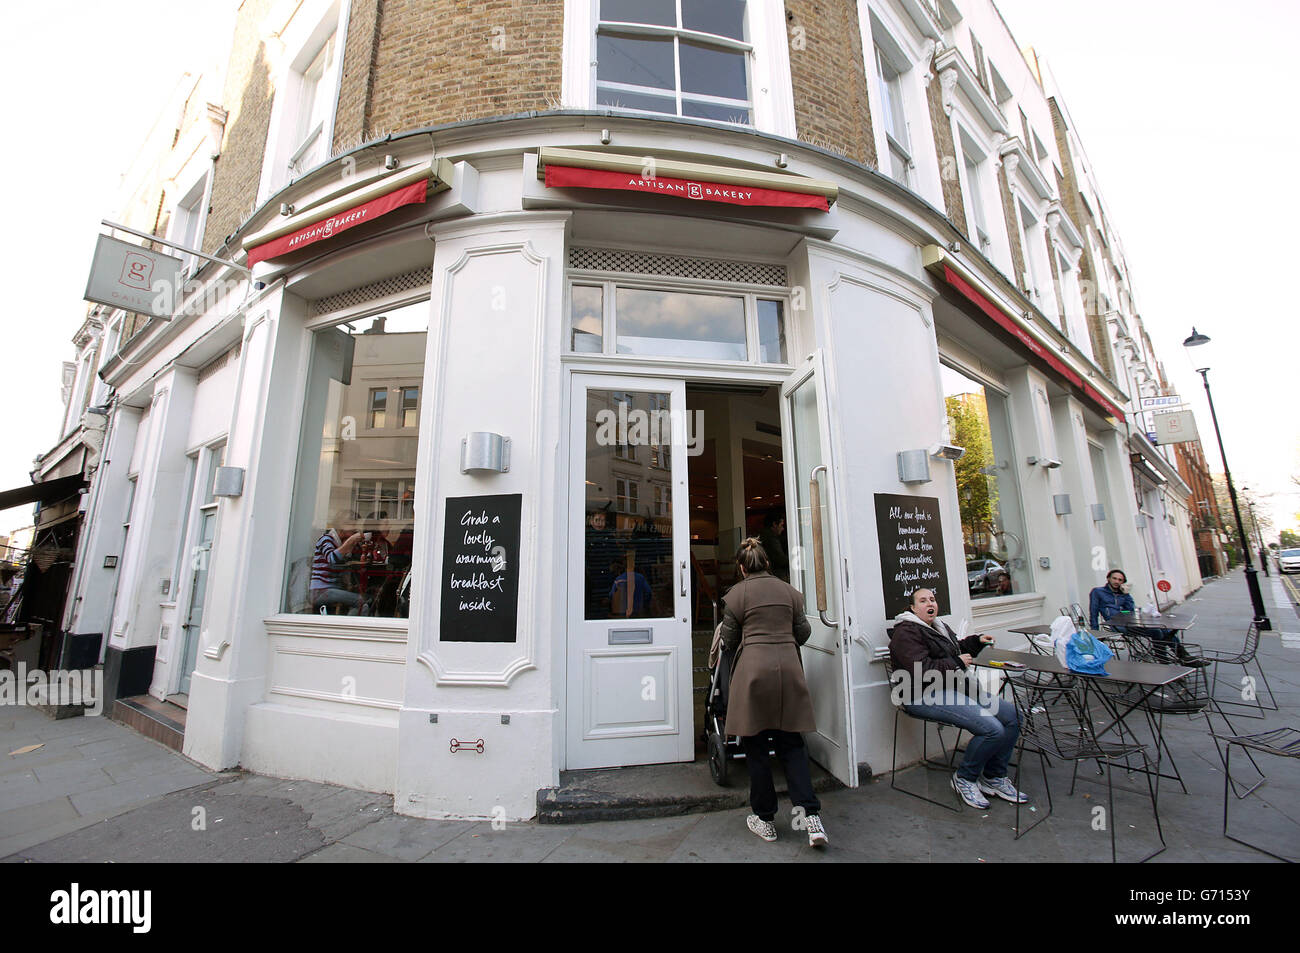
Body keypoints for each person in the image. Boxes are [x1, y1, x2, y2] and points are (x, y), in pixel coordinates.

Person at [719, 537, 827, 848]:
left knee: (756, 748)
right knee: (792, 744)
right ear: (767, 563)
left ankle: (765, 820)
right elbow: (803, 632)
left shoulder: (736, 595)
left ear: (742, 567)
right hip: (789, 670)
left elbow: (728, 640)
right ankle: (811, 817)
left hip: (753, 674)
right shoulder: (790, 592)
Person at [889, 588, 1028, 809]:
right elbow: (921, 670)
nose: (929, 604)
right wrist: (957, 663)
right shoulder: (906, 632)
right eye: (923, 601)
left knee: (1014, 717)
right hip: (920, 694)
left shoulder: (938, 627)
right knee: (993, 729)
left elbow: (955, 649)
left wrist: (977, 641)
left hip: (955, 687)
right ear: (913, 608)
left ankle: (994, 776)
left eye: (932, 599)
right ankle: (965, 778)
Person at [1088, 569, 1206, 666]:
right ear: (1108, 578)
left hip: (1129, 621)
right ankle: (1164, 662)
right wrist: (1095, 631)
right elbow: (1093, 612)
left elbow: (1129, 609)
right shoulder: (1098, 592)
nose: (1117, 581)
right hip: (1116, 625)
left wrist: (1126, 594)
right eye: (1114, 578)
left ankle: (1184, 656)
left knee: (1165, 629)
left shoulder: (1122, 594)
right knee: (1156, 631)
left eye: (1120, 580)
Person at [311, 510, 366, 614]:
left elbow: (352, 563)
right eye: (353, 525)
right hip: (322, 590)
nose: (355, 529)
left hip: (334, 589)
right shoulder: (326, 539)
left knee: (366, 598)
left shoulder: (341, 542)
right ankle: (349, 628)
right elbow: (332, 559)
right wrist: (350, 541)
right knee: (360, 603)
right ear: (342, 525)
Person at [757, 509, 789, 582]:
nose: (783, 528)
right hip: (775, 576)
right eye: (781, 525)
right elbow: (781, 560)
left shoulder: (763, 536)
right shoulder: (771, 539)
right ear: (774, 524)